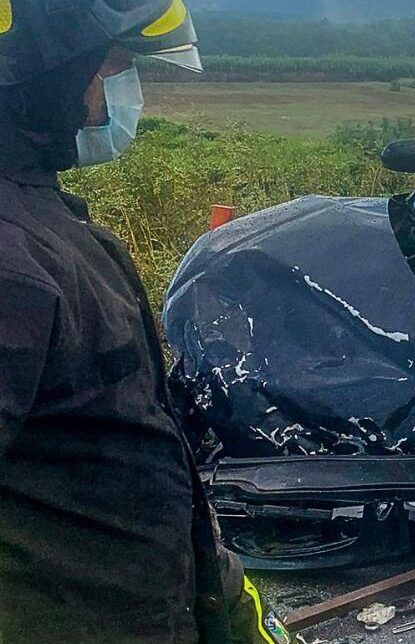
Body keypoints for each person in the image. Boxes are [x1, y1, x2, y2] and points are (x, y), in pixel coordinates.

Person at [0, 1, 288, 641]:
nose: (103, 104)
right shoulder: (12, 262)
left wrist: (219, 599)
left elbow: (111, 438)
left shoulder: (40, 223)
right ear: (35, 78)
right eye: (103, 72)